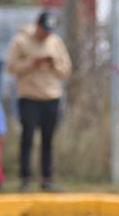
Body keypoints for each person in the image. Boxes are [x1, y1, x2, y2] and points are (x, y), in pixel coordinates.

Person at [6, 11, 73, 191]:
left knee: (48, 139)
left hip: (52, 97)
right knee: (27, 138)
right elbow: (11, 68)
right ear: (37, 25)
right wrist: (32, 62)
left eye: (49, 30)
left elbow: (66, 70)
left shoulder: (56, 42)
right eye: (44, 29)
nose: (46, 33)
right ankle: (25, 178)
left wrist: (54, 65)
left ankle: (47, 179)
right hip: (28, 97)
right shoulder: (20, 41)